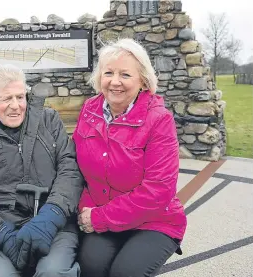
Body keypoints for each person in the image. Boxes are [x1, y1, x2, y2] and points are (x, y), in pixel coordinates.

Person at [0, 64, 84, 277]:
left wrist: (52, 215)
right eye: (6, 98)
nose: (16, 106)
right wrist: (1, 234)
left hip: (55, 225)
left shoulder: (49, 120)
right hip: (6, 228)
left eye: (20, 97)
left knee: (53, 272)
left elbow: (70, 170)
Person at [72, 38, 187, 277]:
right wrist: (85, 208)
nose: (115, 82)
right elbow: (76, 168)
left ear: (143, 80)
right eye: (109, 73)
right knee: (90, 266)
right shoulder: (89, 110)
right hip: (100, 212)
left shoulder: (159, 119)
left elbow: (159, 189)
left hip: (154, 221)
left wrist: (99, 217)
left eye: (125, 75)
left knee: (126, 272)